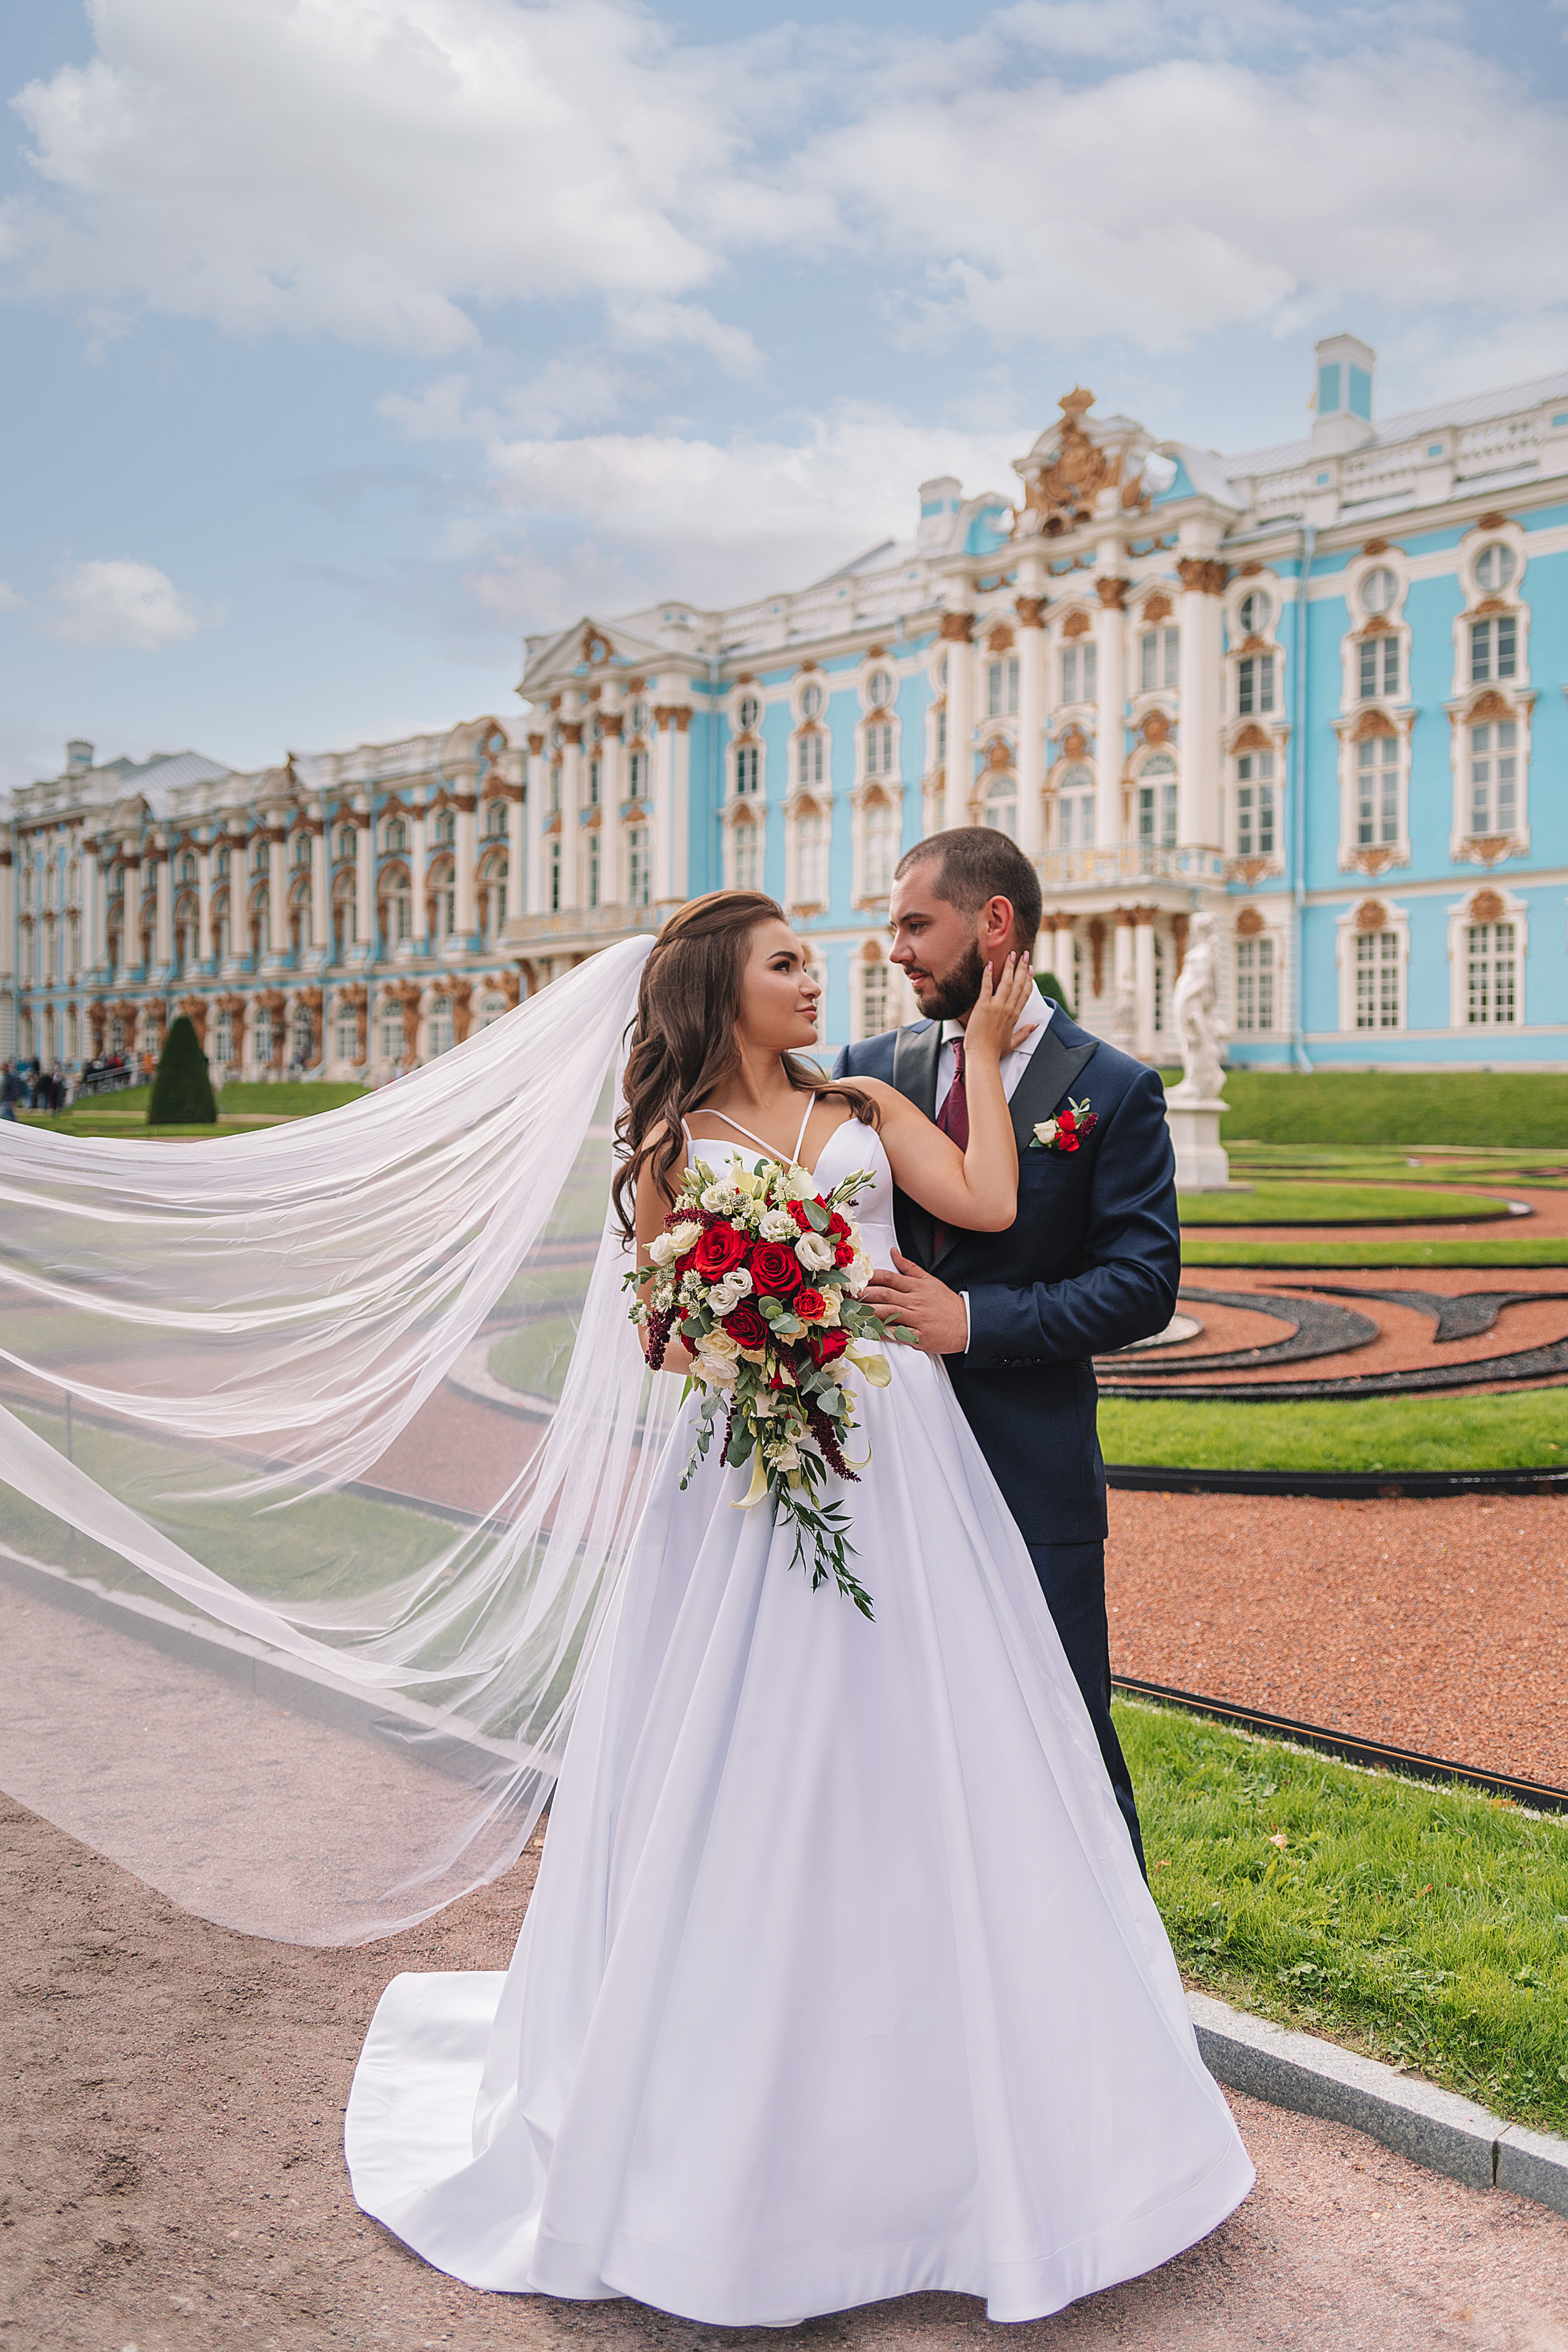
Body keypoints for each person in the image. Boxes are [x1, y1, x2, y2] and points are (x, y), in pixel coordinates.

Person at [344, 890, 1250, 2322]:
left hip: (900, 1460)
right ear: (721, 990)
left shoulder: (869, 1104)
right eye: (786, 967)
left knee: (932, 1740)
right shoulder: (664, 1150)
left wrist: (999, 1050)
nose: (815, 983)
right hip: (739, 1480)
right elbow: (652, 1329)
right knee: (750, 1750)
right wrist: (736, 1332)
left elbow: (990, 1208)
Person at [835, 830, 1179, 1871]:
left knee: (1064, 1743)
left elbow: (1140, 1286)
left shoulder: (1112, 1088)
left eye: (914, 925)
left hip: (1028, 1477)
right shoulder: (867, 1070)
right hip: (876, 1472)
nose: (893, 950)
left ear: (995, 925)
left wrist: (974, 1324)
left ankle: (1121, 2005)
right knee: (883, 1742)